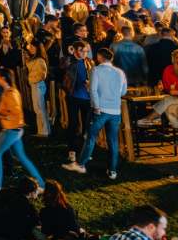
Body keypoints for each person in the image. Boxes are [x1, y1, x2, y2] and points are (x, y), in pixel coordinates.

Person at [0, 66, 46, 192]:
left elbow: (14, 114)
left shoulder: (11, 94)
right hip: (15, 130)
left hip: (11, 130)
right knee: (22, 158)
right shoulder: (9, 91)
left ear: (3, 78)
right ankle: (41, 184)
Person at [64, 46, 127, 180]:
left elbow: (92, 90)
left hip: (100, 110)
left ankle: (81, 164)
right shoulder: (120, 72)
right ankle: (112, 170)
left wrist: (96, 106)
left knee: (91, 137)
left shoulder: (96, 70)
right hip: (115, 111)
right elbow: (123, 92)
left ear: (100, 57)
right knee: (113, 141)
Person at [0, 176, 41, 240]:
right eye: (36, 190)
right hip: (9, 236)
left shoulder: (7, 193)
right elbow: (35, 222)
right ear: (31, 192)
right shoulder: (26, 205)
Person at [62, 41, 93, 163]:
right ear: (74, 50)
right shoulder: (70, 61)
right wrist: (69, 55)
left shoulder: (89, 62)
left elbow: (92, 76)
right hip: (73, 97)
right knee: (73, 125)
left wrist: (90, 84)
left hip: (87, 98)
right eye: (81, 50)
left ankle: (84, 151)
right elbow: (63, 65)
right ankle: (72, 151)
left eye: (86, 51)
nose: (84, 53)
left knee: (87, 125)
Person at [24, 40, 51, 138]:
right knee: (38, 108)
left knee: (40, 108)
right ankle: (42, 130)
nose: (30, 48)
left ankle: (44, 131)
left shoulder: (40, 60)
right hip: (34, 85)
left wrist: (31, 79)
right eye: (30, 47)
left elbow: (41, 75)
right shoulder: (33, 60)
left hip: (38, 85)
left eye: (32, 47)